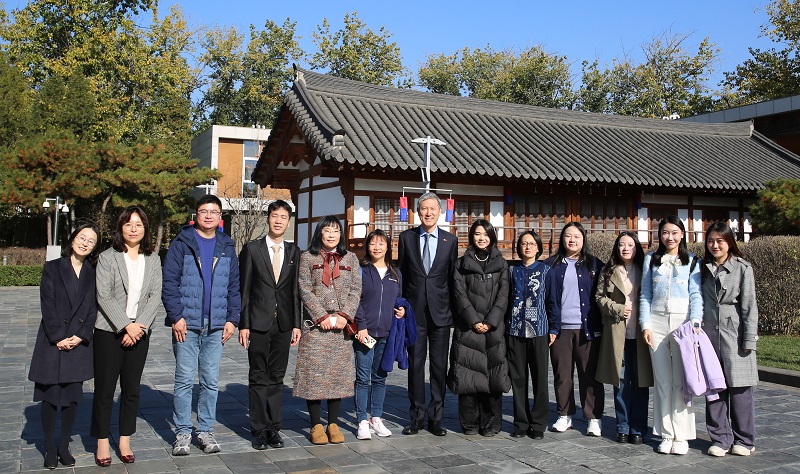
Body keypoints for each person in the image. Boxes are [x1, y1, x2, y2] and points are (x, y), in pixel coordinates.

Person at [162, 195, 241, 456]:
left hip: (216, 324)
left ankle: (205, 430)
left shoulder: (227, 246)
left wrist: (232, 319)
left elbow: (234, 287)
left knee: (210, 381)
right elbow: (170, 283)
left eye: (214, 211)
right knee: (184, 380)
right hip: (187, 323)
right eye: (203, 211)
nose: (209, 215)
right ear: (195, 215)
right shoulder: (182, 242)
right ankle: (183, 431)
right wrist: (176, 316)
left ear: (220, 217)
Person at [92, 207, 164, 466]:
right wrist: (126, 326)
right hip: (109, 332)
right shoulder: (107, 257)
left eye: (139, 224)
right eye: (128, 224)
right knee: (104, 390)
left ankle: (124, 439)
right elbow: (104, 296)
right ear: (120, 227)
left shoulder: (153, 259)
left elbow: (154, 296)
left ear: (145, 228)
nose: (134, 228)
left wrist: (140, 326)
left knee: (132, 389)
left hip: (140, 332)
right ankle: (101, 441)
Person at [28, 224, 100, 469]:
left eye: (91, 241)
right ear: (72, 239)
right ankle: (49, 447)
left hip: (77, 343)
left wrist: (81, 336)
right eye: (82, 238)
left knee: (71, 398)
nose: (85, 243)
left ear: (94, 247)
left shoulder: (92, 271)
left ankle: (63, 446)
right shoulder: (53, 267)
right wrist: (58, 336)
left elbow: (92, 308)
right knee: (50, 398)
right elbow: (46, 304)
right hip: (52, 341)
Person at [238, 200, 302, 450]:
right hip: (257, 321)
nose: (278, 220)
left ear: (288, 221)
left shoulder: (294, 251)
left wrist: (296, 324)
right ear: (268, 218)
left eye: (283, 217)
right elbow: (244, 290)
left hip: (284, 323)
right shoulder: (252, 249)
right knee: (257, 376)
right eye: (274, 216)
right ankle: (259, 429)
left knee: (277, 377)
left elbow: (295, 291)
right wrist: (244, 324)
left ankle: (274, 428)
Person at [294, 216, 361, 445]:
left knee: (336, 376)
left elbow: (355, 289)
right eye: (327, 231)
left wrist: (344, 316)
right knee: (314, 376)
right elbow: (304, 288)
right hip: (316, 326)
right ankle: (315, 425)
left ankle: (333, 423)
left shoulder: (351, 258)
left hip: (341, 328)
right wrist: (321, 315)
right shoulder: (307, 257)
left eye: (336, 231)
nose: (332, 235)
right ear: (319, 233)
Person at [640, 216, 702, 455]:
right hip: (656, 322)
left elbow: (695, 294)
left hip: (682, 323)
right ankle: (666, 434)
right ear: (660, 235)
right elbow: (645, 293)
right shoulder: (651, 259)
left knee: (681, 382)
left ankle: (682, 435)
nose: (670, 237)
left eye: (675, 232)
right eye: (665, 232)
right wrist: (645, 324)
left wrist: (695, 321)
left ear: (682, 234)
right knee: (663, 381)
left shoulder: (693, 261)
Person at [397, 192, 458, 437]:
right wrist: (400, 305)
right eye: (424, 209)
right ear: (417, 211)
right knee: (415, 365)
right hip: (414, 313)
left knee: (439, 367)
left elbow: (453, 279)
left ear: (439, 212)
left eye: (433, 208)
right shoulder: (406, 238)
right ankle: (416, 416)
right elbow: (401, 274)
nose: (429, 213)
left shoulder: (449, 241)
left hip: (441, 313)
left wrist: (454, 312)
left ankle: (436, 417)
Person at [448, 220, 510, 436]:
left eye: (485, 234)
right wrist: (474, 320)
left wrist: (491, 321)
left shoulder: (501, 264)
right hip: (468, 327)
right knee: (467, 375)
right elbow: (458, 294)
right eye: (477, 234)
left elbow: (504, 295)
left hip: (494, 328)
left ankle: (491, 424)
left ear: (492, 236)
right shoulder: (461, 264)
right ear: (471, 237)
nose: (481, 238)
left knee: (493, 376)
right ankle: (469, 423)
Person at [701, 222, 759, 457]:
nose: (715, 245)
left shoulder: (743, 268)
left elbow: (749, 306)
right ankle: (720, 438)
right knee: (714, 388)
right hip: (708, 334)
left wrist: (749, 340)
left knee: (740, 389)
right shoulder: (702, 268)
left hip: (734, 333)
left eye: (720, 241)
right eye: (711, 241)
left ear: (729, 243)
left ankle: (745, 439)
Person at [545, 222, 604, 436]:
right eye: (568, 236)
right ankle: (564, 414)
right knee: (563, 375)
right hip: (560, 330)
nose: (572, 240)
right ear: (562, 239)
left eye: (576, 236)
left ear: (583, 239)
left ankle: (594, 418)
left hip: (587, 330)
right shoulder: (551, 265)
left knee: (590, 375)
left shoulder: (595, 265)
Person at [595, 231, 653, 445]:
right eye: (621, 245)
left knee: (640, 383)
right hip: (617, 333)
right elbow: (599, 298)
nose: (626, 248)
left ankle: (638, 427)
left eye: (630, 244)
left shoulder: (645, 270)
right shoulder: (608, 270)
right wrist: (618, 308)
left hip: (641, 334)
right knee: (620, 383)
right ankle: (622, 425)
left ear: (637, 247)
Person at [353, 229, 405, 440]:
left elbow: (399, 298)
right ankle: (362, 421)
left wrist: (401, 309)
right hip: (365, 332)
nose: (377, 247)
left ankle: (377, 418)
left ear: (388, 247)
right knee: (363, 378)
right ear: (368, 246)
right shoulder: (361, 270)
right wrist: (361, 325)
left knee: (380, 377)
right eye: (373, 243)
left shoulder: (395, 273)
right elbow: (354, 299)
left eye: (381, 243)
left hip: (386, 333)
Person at [506, 230, 550, 440]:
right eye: (524, 243)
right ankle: (521, 423)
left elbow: (552, 303)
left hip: (539, 330)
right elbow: (506, 301)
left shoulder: (546, 271)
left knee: (540, 379)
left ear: (538, 247)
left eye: (532, 243)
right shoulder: (511, 271)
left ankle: (539, 424)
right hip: (515, 330)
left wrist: (554, 328)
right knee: (518, 379)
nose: (528, 247)